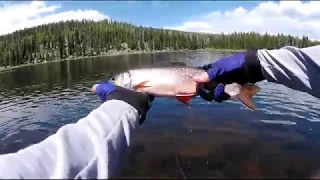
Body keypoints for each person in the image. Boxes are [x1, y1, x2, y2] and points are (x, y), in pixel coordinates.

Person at [0, 45, 319, 179]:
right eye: (116, 80)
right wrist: (260, 63)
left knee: (218, 85)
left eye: (116, 80)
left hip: (190, 83)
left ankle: (239, 91)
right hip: (186, 83)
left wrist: (120, 103)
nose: (115, 81)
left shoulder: (129, 82)